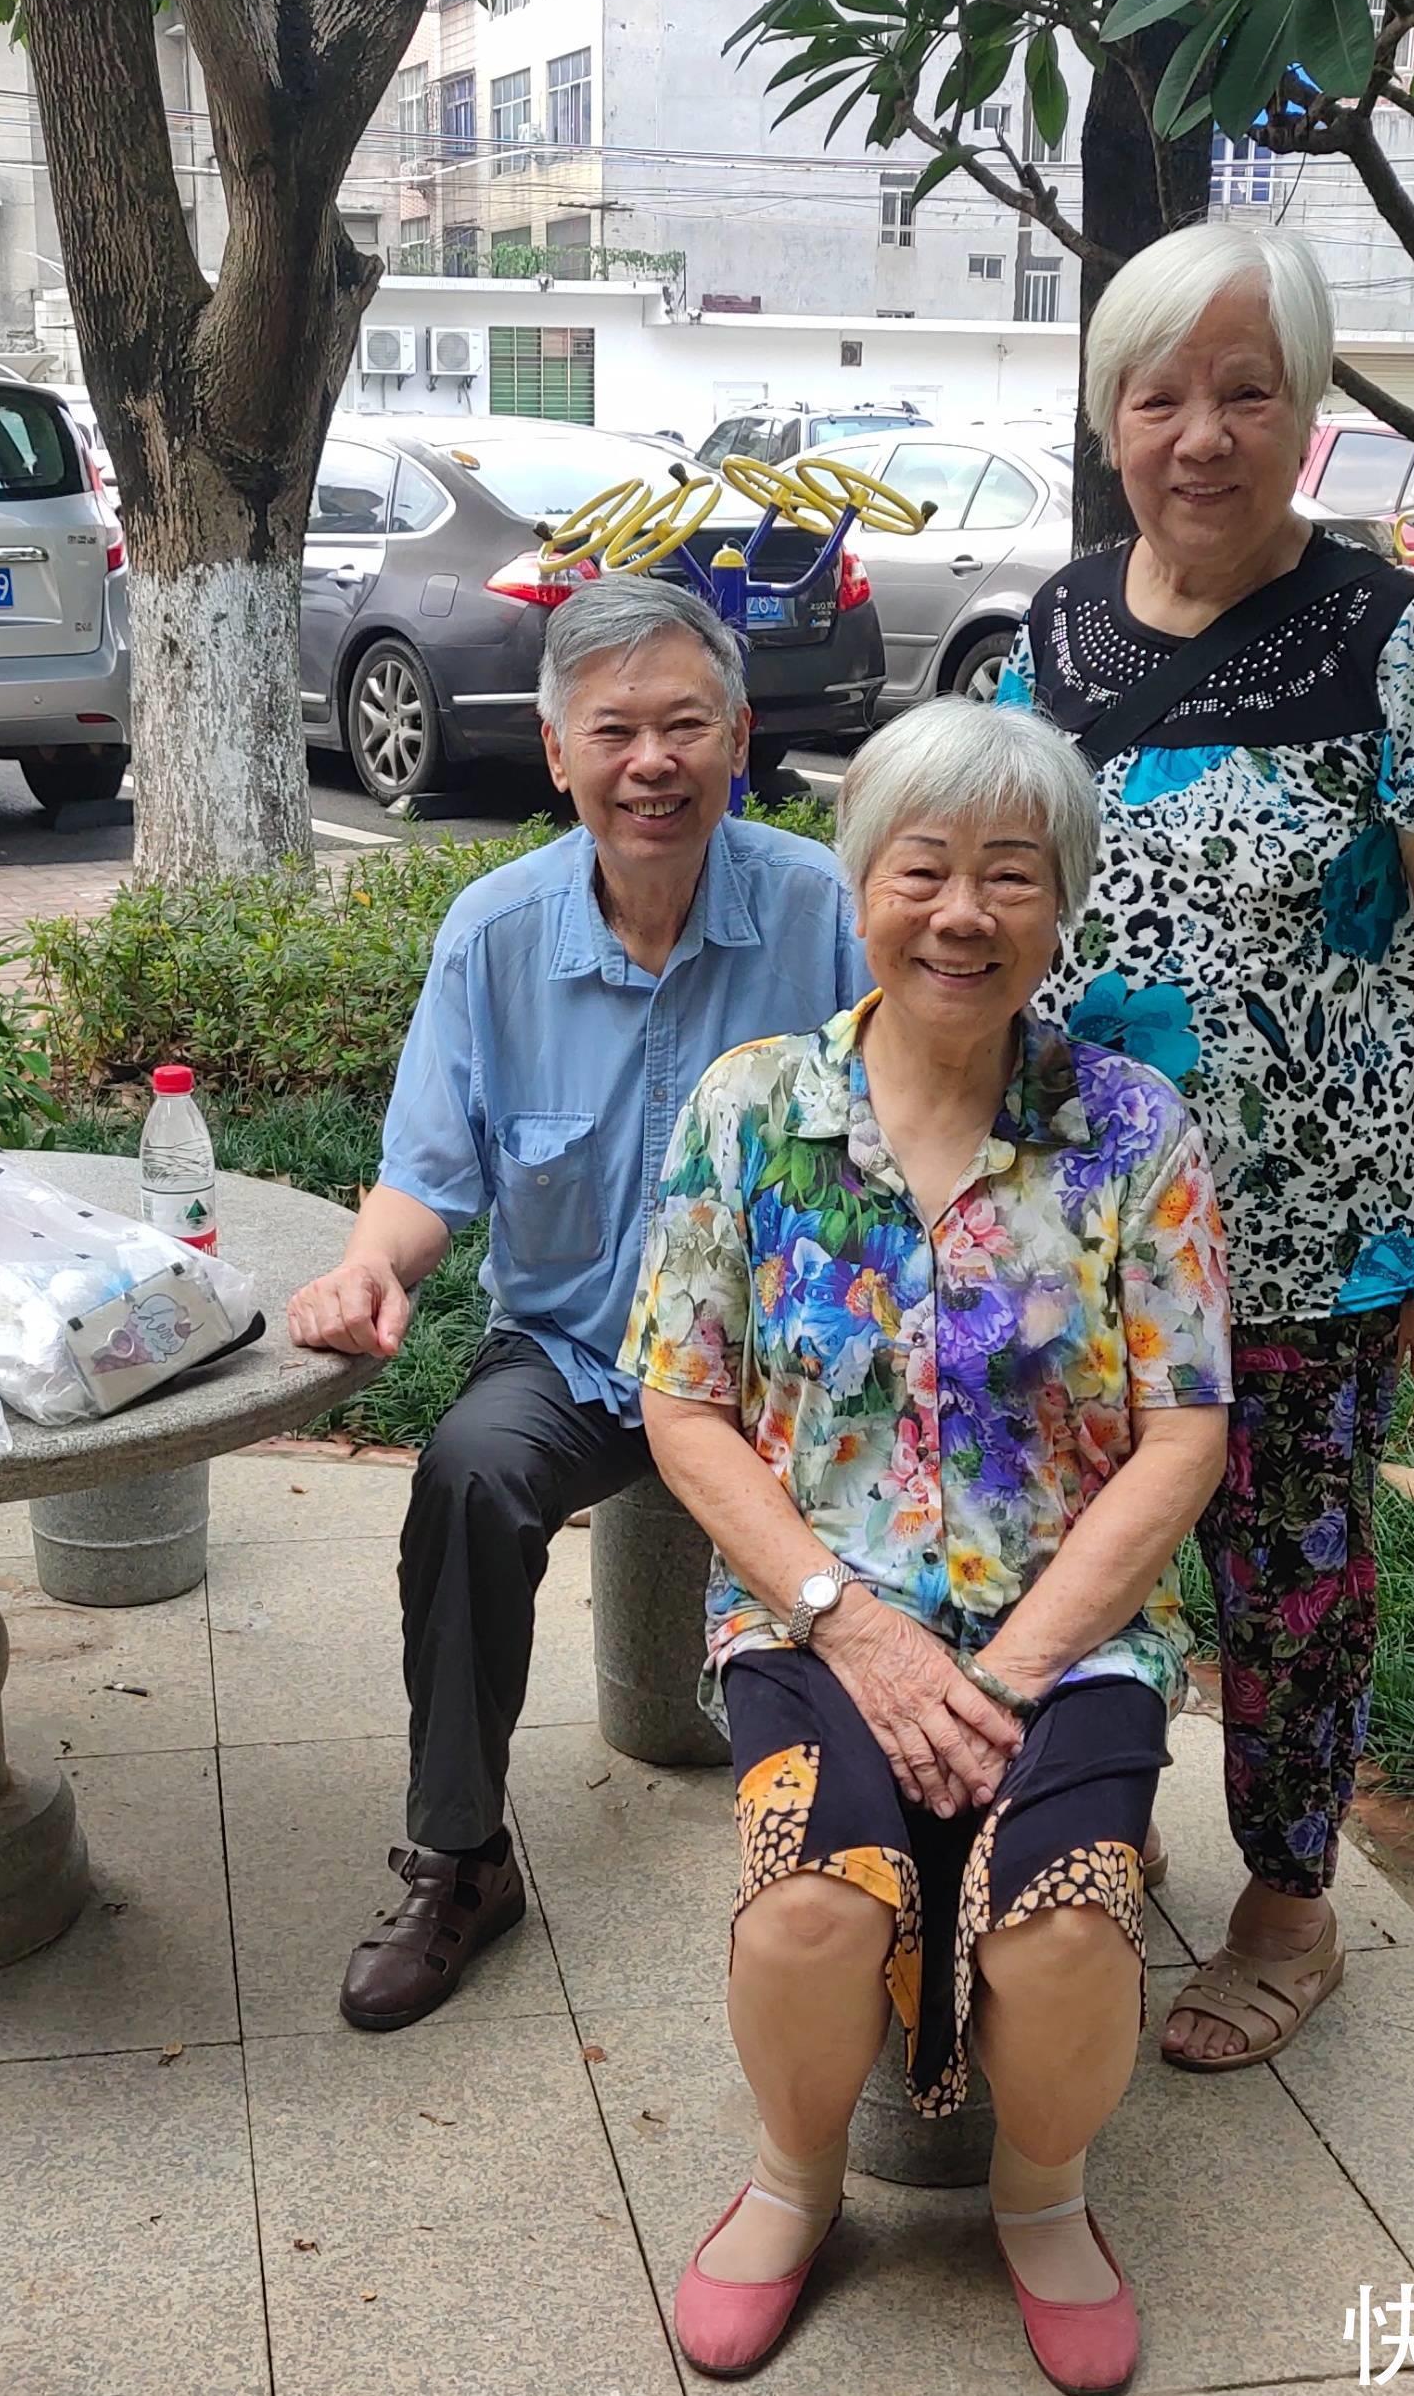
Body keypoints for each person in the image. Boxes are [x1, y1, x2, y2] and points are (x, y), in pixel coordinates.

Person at [623, 699, 1233, 2390]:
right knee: (810, 1914)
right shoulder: (753, 1112)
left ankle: (1044, 2196)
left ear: (1062, 903)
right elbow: (684, 1408)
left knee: (1066, 1930)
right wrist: (852, 1624)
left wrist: (1016, 1668)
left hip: (1072, 1629)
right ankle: (791, 2181)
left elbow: (1185, 1430)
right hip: (817, 1613)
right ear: (858, 882)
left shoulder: (1131, 1130)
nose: (964, 913)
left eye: (1011, 876)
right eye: (925, 870)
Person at [997, 217, 1414, 2074]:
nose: (1202, 435)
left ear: (1305, 414)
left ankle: (1292, 1907)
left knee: (1286, 1585)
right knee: (1066, 1543)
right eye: (1161, 397)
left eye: (1247, 393)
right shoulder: (1056, 630)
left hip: (1307, 1238)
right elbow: (995, 898)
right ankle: (1098, 1809)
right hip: (1072, 1222)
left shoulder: (1394, 638)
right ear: (1110, 418)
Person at [287, 576, 867, 2034]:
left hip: (798, 1368)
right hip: (580, 1355)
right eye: (613, 732)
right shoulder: (494, 935)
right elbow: (426, 1175)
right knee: (469, 1476)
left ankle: (926, 1826)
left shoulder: (826, 912)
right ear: (558, 754)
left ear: (739, 738)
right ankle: (460, 1855)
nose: (650, 763)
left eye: (685, 726)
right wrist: (370, 1267)